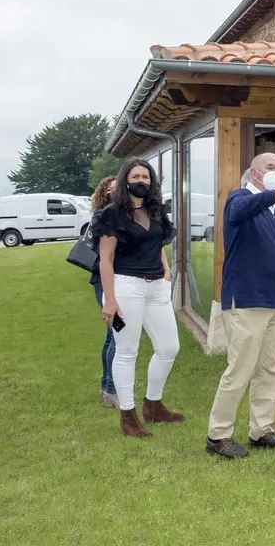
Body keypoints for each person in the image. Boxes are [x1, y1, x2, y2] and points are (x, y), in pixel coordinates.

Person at [206, 152, 275, 459]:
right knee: (240, 369)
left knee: (270, 369)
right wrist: (272, 194)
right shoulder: (239, 199)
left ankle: (261, 430)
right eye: (271, 168)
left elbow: (266, 250)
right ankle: (218, 435)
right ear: (254, 174)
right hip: (247, 299)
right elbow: (243, 209)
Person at [95, 158, 181, 438]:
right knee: (127, 351)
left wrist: (166, 269)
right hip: (127, 286)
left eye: (146, 176)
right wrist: (110, 300)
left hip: (157, 288)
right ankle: (127, 416)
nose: (141, 181)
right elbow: (106, 259)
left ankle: (153, 405)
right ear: (125, 180)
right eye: (135, 176)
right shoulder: (112, 214)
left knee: (169, 348)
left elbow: (157, 244)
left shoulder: (156, 211)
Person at [89, 176, 117, 408]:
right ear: (105, 192)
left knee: (112, 335)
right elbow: (106, 256)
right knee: (117, 335)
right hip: (104, 280)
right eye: (112, 188)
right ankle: (110, 388)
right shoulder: (104, 215)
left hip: (119, 279)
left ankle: (107, 386)